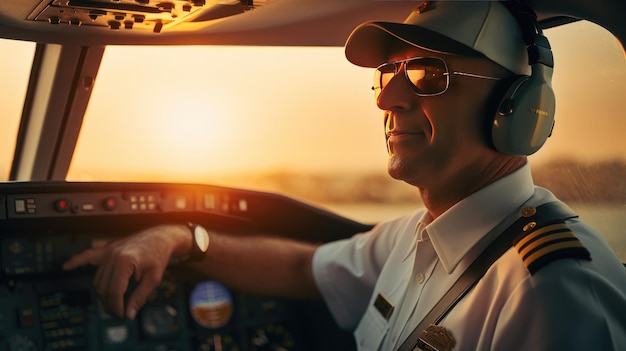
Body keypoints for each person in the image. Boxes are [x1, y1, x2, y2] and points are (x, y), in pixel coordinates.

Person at [63, 1, 626, 350]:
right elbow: (305, 267)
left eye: (429, 73)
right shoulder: (414, 237)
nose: (392, 99)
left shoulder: (554, 292)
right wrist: (180, 238)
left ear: (517, 107)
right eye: (388, 74)